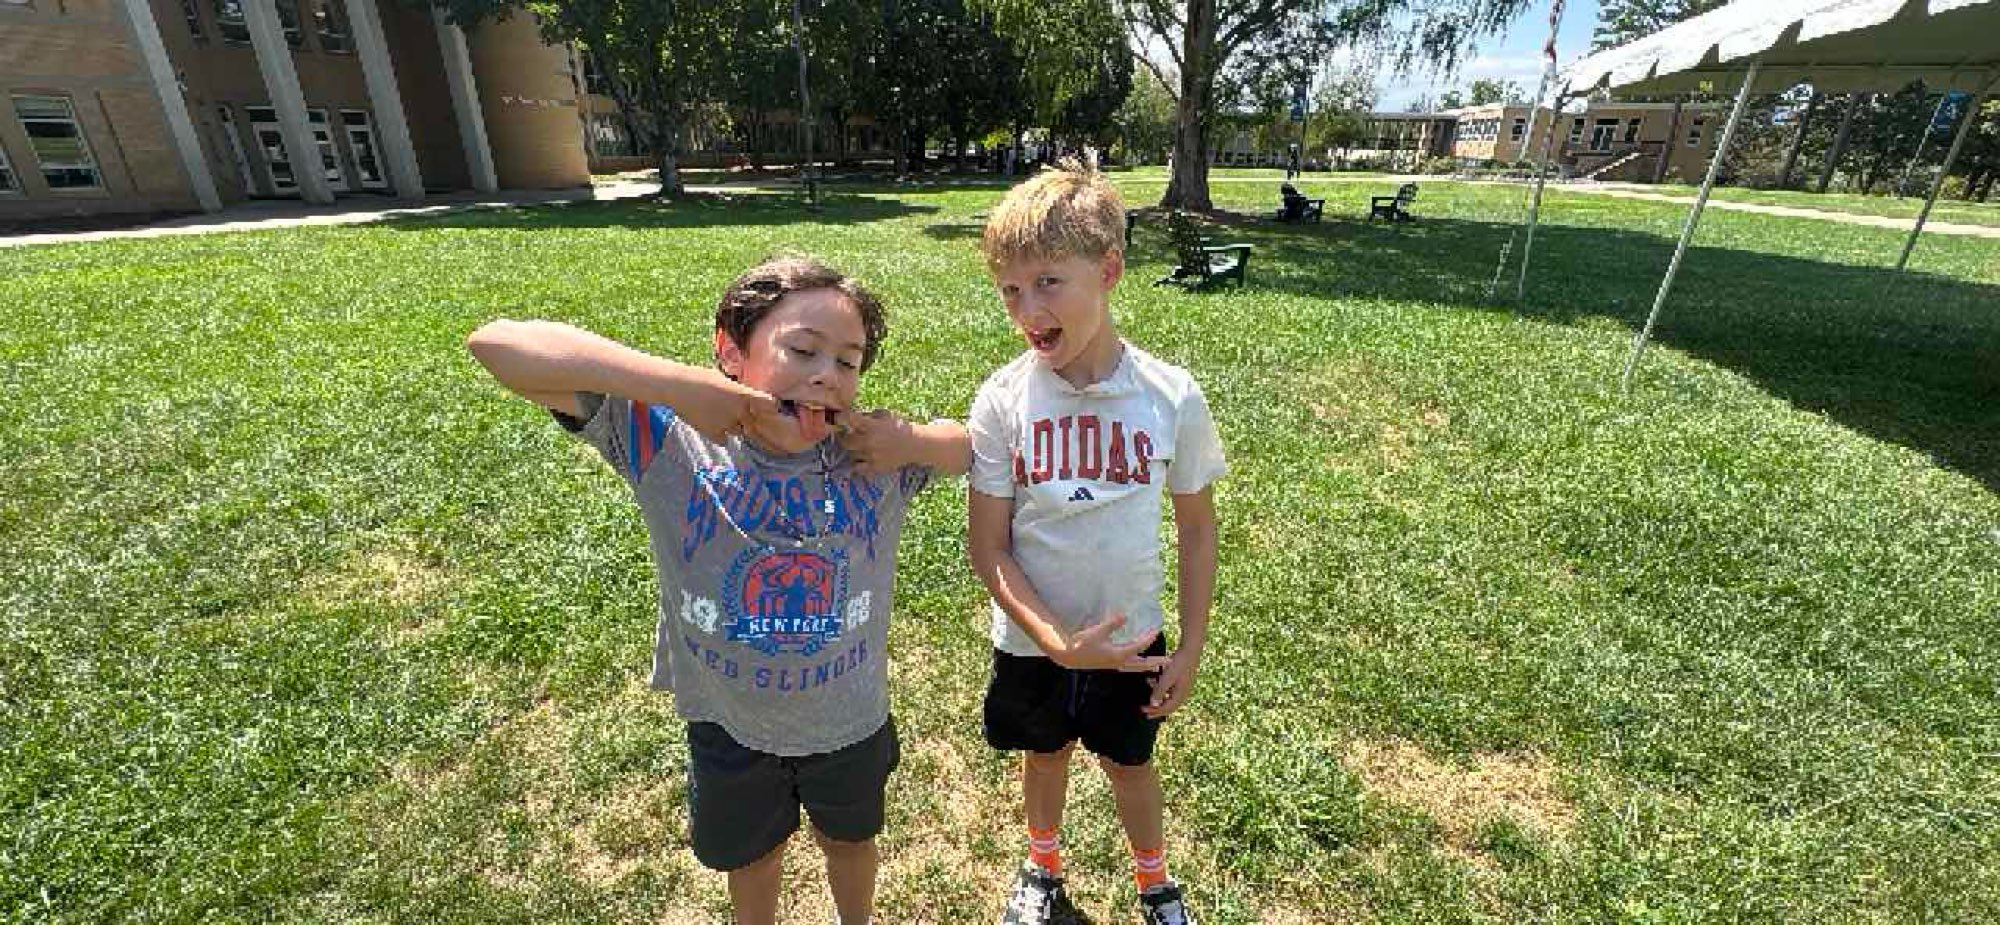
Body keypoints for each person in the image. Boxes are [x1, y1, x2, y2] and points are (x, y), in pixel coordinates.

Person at [465, 255, 969, 925]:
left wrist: (911, 437)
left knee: (849, 842)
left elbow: (967, 447)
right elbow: (498, 344)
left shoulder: (871, 457)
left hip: (849, 721)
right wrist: (678, 387)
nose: (828, 374)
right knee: (751, 859)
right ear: (731, 351)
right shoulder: (671, 442)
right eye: (802, 349)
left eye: (849, 361)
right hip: (730, 725)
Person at [967, 162, 1227, 925]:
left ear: (1108, 270)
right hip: (1031, 640)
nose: (1027, 308)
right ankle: (1041, 867)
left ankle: (1155, 883)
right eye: (1011, 290)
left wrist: (1192, 646)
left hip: (1133, 635)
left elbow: (1197, 525)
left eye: (1048, 282)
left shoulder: (1169, 395)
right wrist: (1056, 641)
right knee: (1043, 755)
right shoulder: (1002, 398)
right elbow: (990, 547)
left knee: (1129, 762)